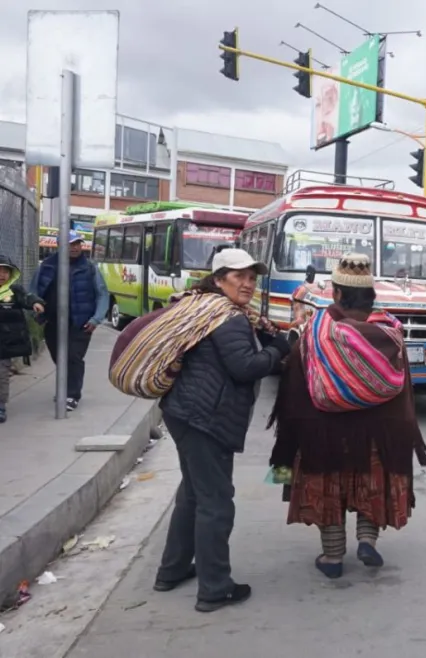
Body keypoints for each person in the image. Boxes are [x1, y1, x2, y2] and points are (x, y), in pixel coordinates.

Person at [268, 253, 426, 579]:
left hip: (322, 434)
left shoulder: (315, 334)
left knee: (329, 490)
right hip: (376, 435)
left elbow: (294, 392)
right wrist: (403, 438)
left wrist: (286, 452)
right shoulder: (390, 334)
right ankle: (366, 540)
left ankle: (332, 559)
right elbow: (403, 397)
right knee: (370, 484)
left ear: (338, 294)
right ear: (370, 295)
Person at [152, 248, 291, 613]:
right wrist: (278, 348)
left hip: (184, 412)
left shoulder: (202, 307)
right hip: (206, 418)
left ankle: (173, 569)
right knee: (216, 501)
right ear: (218, 280)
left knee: (193, 493)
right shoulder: (226, 318)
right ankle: (215, 587)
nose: (247, 283)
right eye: (238, 276)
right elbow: (245, 367)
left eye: (251, 277)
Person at [32, 231, 109, 411]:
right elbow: (34, 290)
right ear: (60, 246)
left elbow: (102, 294)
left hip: (81, 322)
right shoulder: (47, 266)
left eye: (77, 244)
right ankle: (64, 388)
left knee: (74, 357)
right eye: (70, 244)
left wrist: (96, 319)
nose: (75, 248)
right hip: (53, 321)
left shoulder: (89, 268)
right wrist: (35, 306)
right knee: (59, 357)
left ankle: (72, 395)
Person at [0, 254, 45, 423]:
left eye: (6, 271)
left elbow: (28, 297)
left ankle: (1, 406)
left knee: (2, 375)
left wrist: (36, 303)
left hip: (6, 343)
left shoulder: (14, 291)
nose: (2, 275)